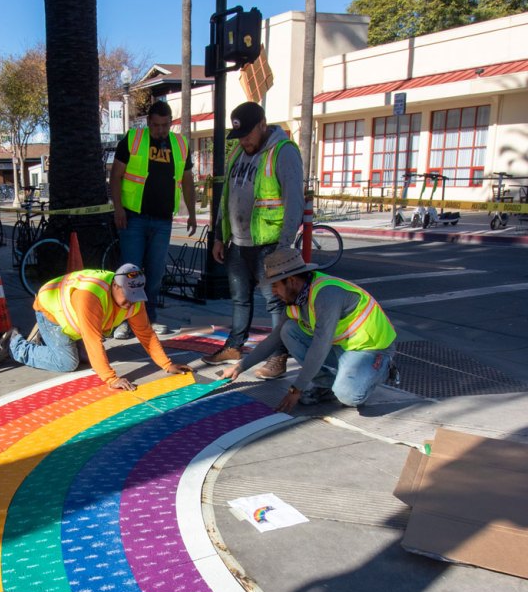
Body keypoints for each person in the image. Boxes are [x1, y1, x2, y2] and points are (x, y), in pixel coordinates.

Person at [228, 247, 398, 411]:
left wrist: (297, 388)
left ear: (292, 281)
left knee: (349, 395)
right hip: (342, 347)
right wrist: (240, 367)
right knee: (287, 330)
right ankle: (327, 385)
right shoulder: (295, 300)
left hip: (370, 349)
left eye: (275, 285)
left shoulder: (327, 294)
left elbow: (320, 346)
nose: (273, 292)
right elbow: (273, 340)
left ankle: (383, 368)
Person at [0, 263, 187, 392]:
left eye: (135, 297)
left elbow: (146, 333)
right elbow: (93, 340)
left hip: (78, 320)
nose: (131, 303)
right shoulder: (90, 297)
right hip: (51, 312)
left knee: (88, 359)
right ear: (115, 287)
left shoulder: (134, 297)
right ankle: (15, 344)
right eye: (127, 297)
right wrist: (110, 379)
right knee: (67, 363)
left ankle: (49, 342)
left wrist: (166, 364)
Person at [209, 101, 304, 371]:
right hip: (238, 243)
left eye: (248, 135)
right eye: (239, 136)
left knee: (275, 302)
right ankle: (234, 346)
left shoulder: (283, 152)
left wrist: (284, 246)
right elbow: (226, 197)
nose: (244, 141)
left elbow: (294, 201)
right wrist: (219, 236)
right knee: (240, 298)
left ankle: (279, 354)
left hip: (269, 244)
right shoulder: (237, 152)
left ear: (262, 124)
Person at [109, 99, 197, 334]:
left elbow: (187, 181)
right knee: (130, 272)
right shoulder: (134, 139)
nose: (161, 130)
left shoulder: (180, 144)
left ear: (171, 123)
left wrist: (192, 213)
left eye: (165, 125)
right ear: (148, 122)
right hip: (133, 218)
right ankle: (126, 320)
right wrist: (118, 208)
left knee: (156, 272)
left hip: (162, 220)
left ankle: (148, 319)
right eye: (156, 125)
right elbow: (115, 176)